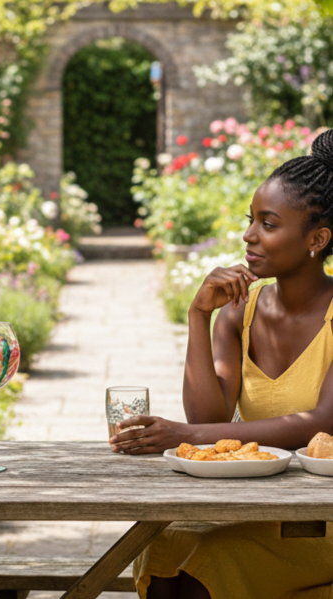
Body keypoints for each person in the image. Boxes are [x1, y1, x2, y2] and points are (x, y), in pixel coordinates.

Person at [109, 128, 333, 599]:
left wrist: (184, 437)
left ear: (318, 238)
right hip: (255, 504)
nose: (248, 235)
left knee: (207, 563)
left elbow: (321, 421)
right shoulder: (239, 311)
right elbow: (209, 418)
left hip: (322, 519)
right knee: (162, 546)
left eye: (268, 224)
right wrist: (199, 314)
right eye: (250, 220)